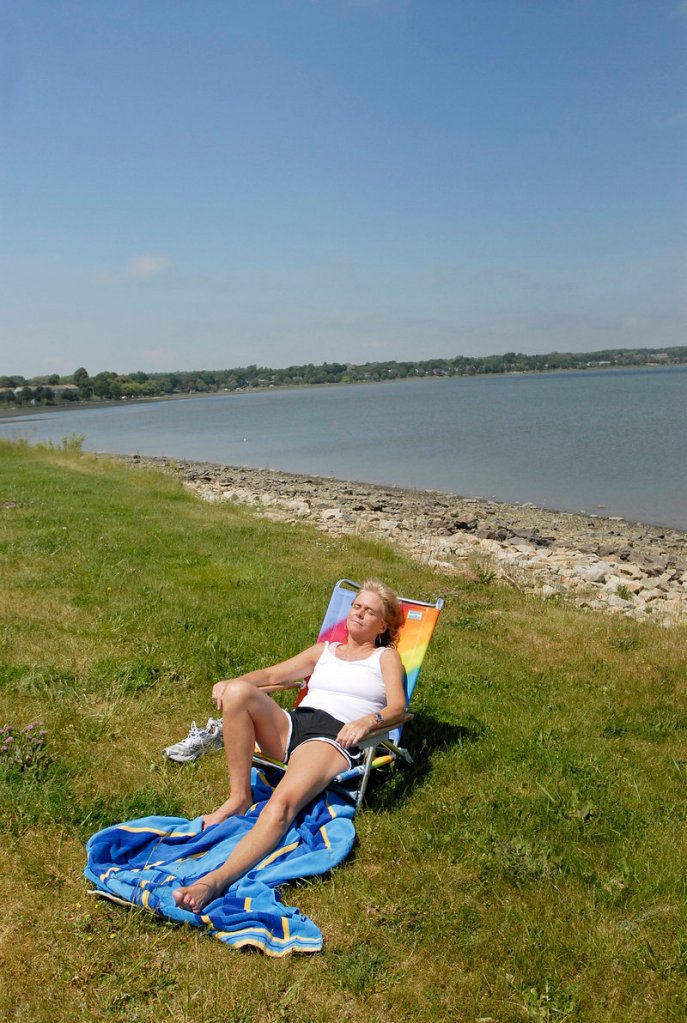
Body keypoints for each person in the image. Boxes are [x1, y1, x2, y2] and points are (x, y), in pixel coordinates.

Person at [173, 579, 406, 913]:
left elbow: (398, 709)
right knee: (239, 692)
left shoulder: (385, 657)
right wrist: (230, 683)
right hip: (297, 722)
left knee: (282, 804)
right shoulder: (324, 651)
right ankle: (239, 798)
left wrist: (367, 721)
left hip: (335, 735)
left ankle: (215, 880)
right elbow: (270, 673)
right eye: (356, 606)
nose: (359, 614)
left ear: (383, 625)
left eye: (370, 611)